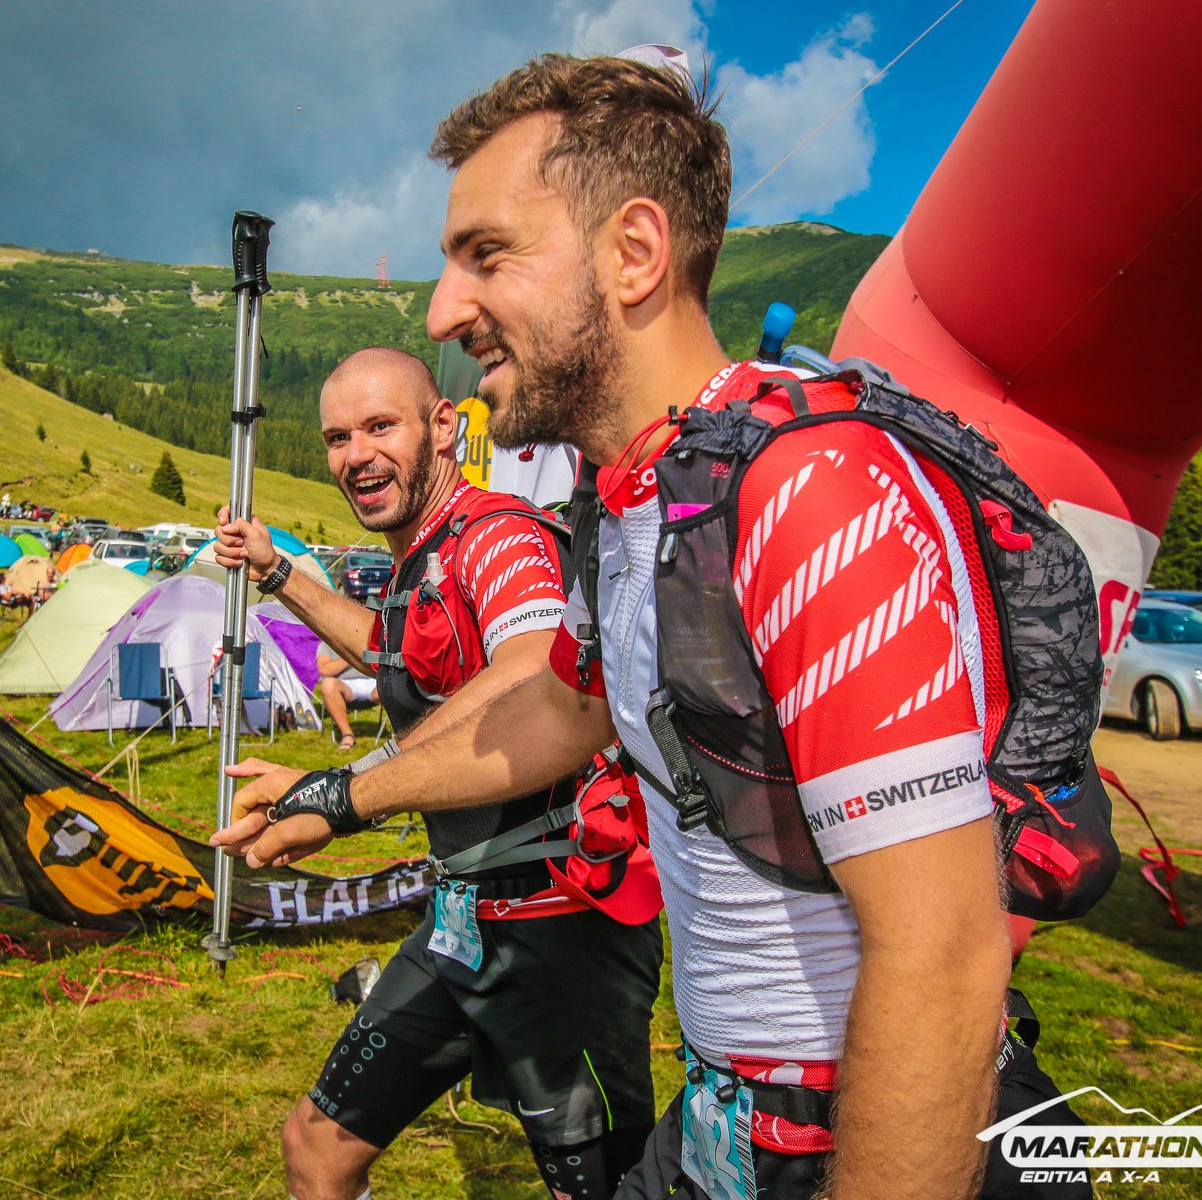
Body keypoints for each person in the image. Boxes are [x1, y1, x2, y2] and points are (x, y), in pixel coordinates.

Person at [213, 54, 1089, 1200]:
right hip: (727, 1117)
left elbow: (944, 954)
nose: (442, 311)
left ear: (633, 254)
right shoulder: (629, 497)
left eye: (487, 255)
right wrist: (339, 796)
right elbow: (562, 702)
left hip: (868, 1128)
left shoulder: (805, 487)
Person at [213, 346, 663, 1200]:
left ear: (444, 428)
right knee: (316, 1148)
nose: (357, 455)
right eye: (338, 437)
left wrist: (339, 795)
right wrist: (278, 573)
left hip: (560, 931)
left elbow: (535, 671)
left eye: (382, 425)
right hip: (461, 922)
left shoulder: (495, 536)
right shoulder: (423, 556)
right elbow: (395, 659)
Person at [315, 649, 377, 751]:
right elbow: (325, 670)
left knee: (392, 684)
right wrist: (351, 656)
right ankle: (347, 735)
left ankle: (401, 733)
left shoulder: (370, 639)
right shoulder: (326, 645)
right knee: (328, 684)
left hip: (373, 681)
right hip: (345, 685)